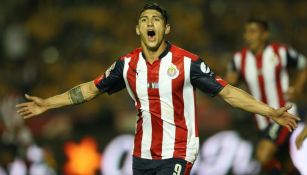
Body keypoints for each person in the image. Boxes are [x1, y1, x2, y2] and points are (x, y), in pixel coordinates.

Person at [17, 3, 299, 175]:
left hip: (178, 150)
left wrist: (270, 111)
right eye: (144, 20)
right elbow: (90, 90)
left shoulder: (188, 63)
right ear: (138, 29)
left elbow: (228, 92)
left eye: (156, 20)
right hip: (142, 154)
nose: (150, 23)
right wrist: (47, 104)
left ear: (167, 29)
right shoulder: (126, 65)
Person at [226, 17, 307, 174]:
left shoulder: (280, 52)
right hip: (261, 119)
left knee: (263, 155)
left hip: (284, 112)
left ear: (264, 34)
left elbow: (304, 65)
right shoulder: (238, 59)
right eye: (246, 32)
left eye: (253, 32)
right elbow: (229, 82)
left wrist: (297, 88)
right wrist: (231, 81)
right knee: (284, 163)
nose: (248, 36)